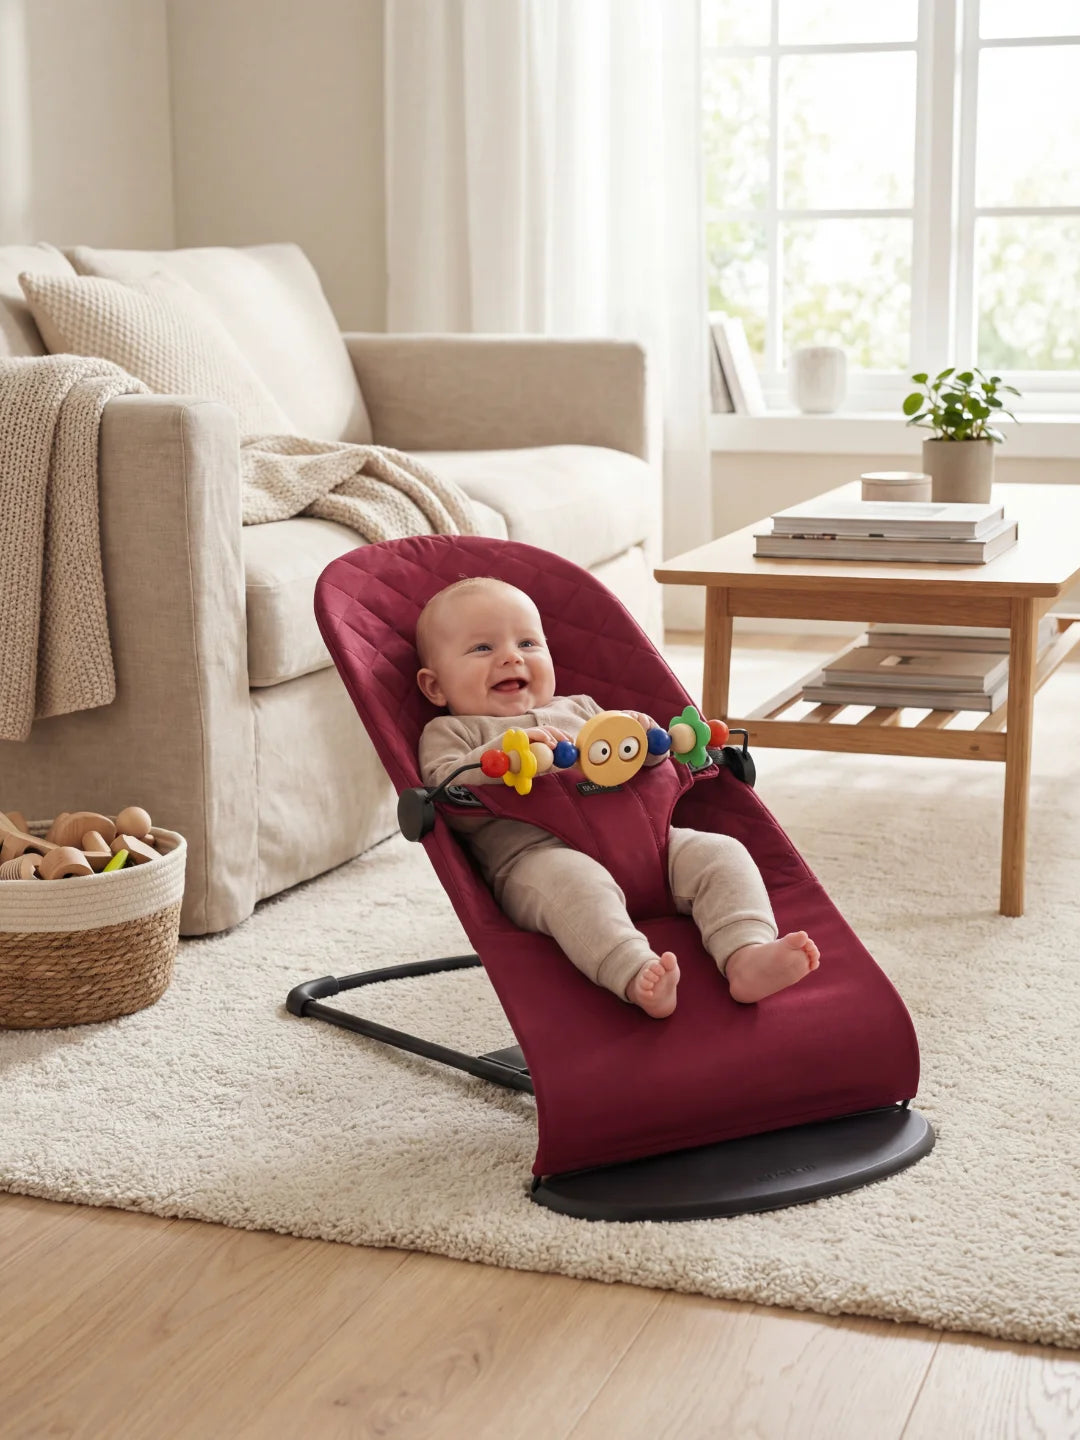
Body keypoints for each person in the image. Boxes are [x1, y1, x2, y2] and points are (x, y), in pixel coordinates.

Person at [416, 576, 819, 1019]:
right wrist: (501, 756)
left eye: (528, 643)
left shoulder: (582, 708)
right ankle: (635, 972)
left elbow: (636, 760)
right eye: (482, 649)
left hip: (648, 845)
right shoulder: (452, 731)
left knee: (721, 853)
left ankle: (746, 953)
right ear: (435, 687)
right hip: (539, 858)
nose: (512, 656)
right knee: (574, 886)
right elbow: (444, 788)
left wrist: (644, 736)